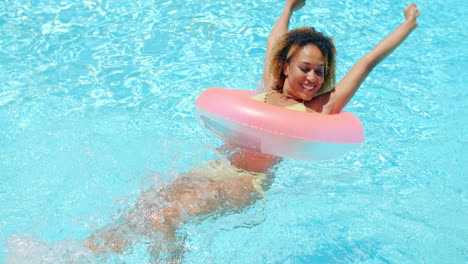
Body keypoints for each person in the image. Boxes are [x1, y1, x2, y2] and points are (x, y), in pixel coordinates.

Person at [86, 0, 420, 260]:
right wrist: (289, 7)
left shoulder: (315, 108)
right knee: (141, 212)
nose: (312, 78)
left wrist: (406, 25)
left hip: (245, 183)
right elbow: (276, 40)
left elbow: (367, 62)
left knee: (164, 219)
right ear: (286, 65)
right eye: (305, 68)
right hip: (215, 169)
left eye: (320, 72)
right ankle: (78, 256)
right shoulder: (267, 91)